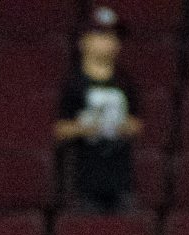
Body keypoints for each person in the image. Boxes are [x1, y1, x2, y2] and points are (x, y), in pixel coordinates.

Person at [53, 7, 139, 213]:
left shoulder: (125, 82)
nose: (109, 42)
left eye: (113, 36)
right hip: (83, 180)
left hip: (120, 180)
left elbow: (137, 123)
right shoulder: (73, 84)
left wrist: (124, 126)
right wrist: (86, 127)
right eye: (101, 36)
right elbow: (59, 128)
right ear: (84, 41)